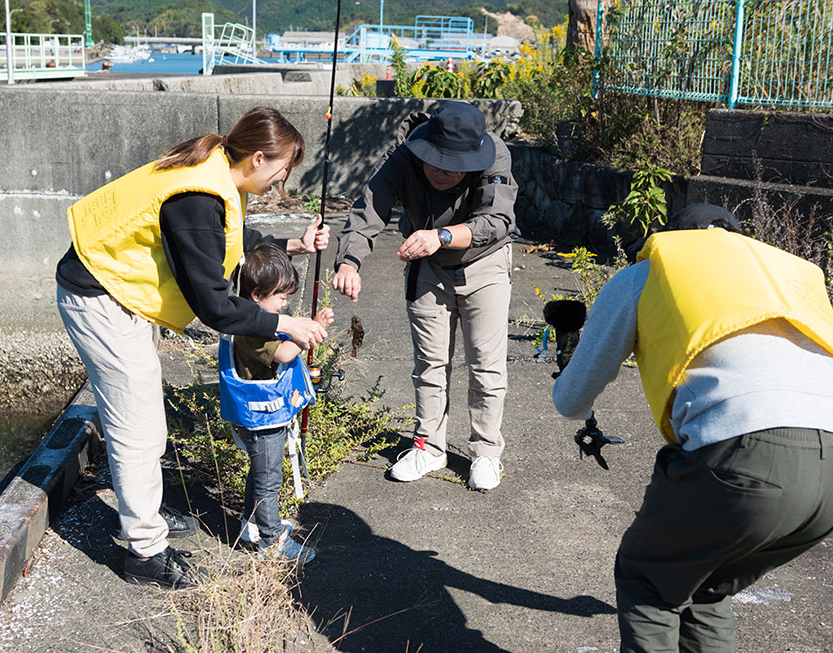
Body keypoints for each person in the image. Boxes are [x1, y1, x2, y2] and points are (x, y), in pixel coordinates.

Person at [55, 107, 330, 589]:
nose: (282, 180)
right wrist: (285, 323)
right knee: (138, 429)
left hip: (121, 292)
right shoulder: (198, 196)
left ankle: (143, 507)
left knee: (143, 419)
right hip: (101, 296)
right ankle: (145, 554)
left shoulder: (218, 167)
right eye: (283, 169)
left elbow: (230, 238)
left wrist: (293, 244)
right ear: (259, 158)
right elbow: (216, 308)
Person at [551, 203, 833, 651]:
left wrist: (568, 357)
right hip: (827, 479)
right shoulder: (783, 280)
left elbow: (570, 400)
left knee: (648, 577)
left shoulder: (650, 274)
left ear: (673, 238)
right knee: (702, 585)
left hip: (746, 457)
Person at [332, 101, 519, 490]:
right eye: (435, 161)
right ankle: (428, 448)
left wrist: (442, 236)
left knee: (485, 365)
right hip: (428, 268)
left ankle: (486, 452)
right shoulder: (402, 156)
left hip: (483, 263)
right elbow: (369, 210)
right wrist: (349, 262)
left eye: (454, 167)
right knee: (429, 364)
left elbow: (498, 220)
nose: (441, 171)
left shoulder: (495, 155)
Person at [219, 242, 334, 564]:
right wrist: (312, 330)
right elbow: (283, 353)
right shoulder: (252, 330)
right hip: (262, 418)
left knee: (259, 474)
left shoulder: (248, 318)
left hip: (258, 417)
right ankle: (272, 543)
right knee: (269, 482)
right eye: (281, 297)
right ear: (257, 294)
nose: (285, 304)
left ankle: (251, 525)